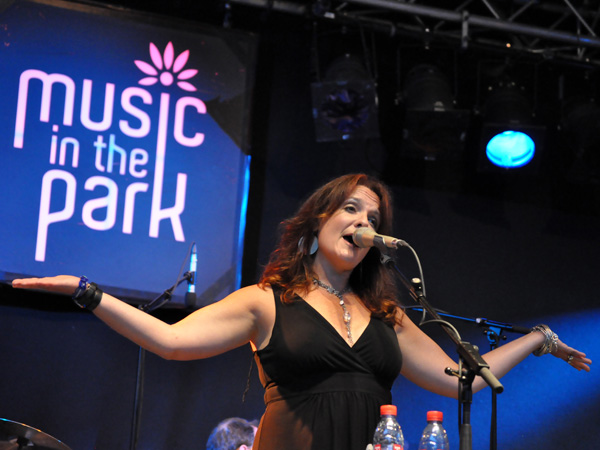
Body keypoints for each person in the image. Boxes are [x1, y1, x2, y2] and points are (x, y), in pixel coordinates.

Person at [12, 173, 591, 450]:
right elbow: (171, 342)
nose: (364, 223)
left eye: (374, 219)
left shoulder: (387, 314)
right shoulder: (266, 301)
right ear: (319, 221)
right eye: (352, 210)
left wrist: (538, 338)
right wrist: (88, 292)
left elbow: (461, 378)